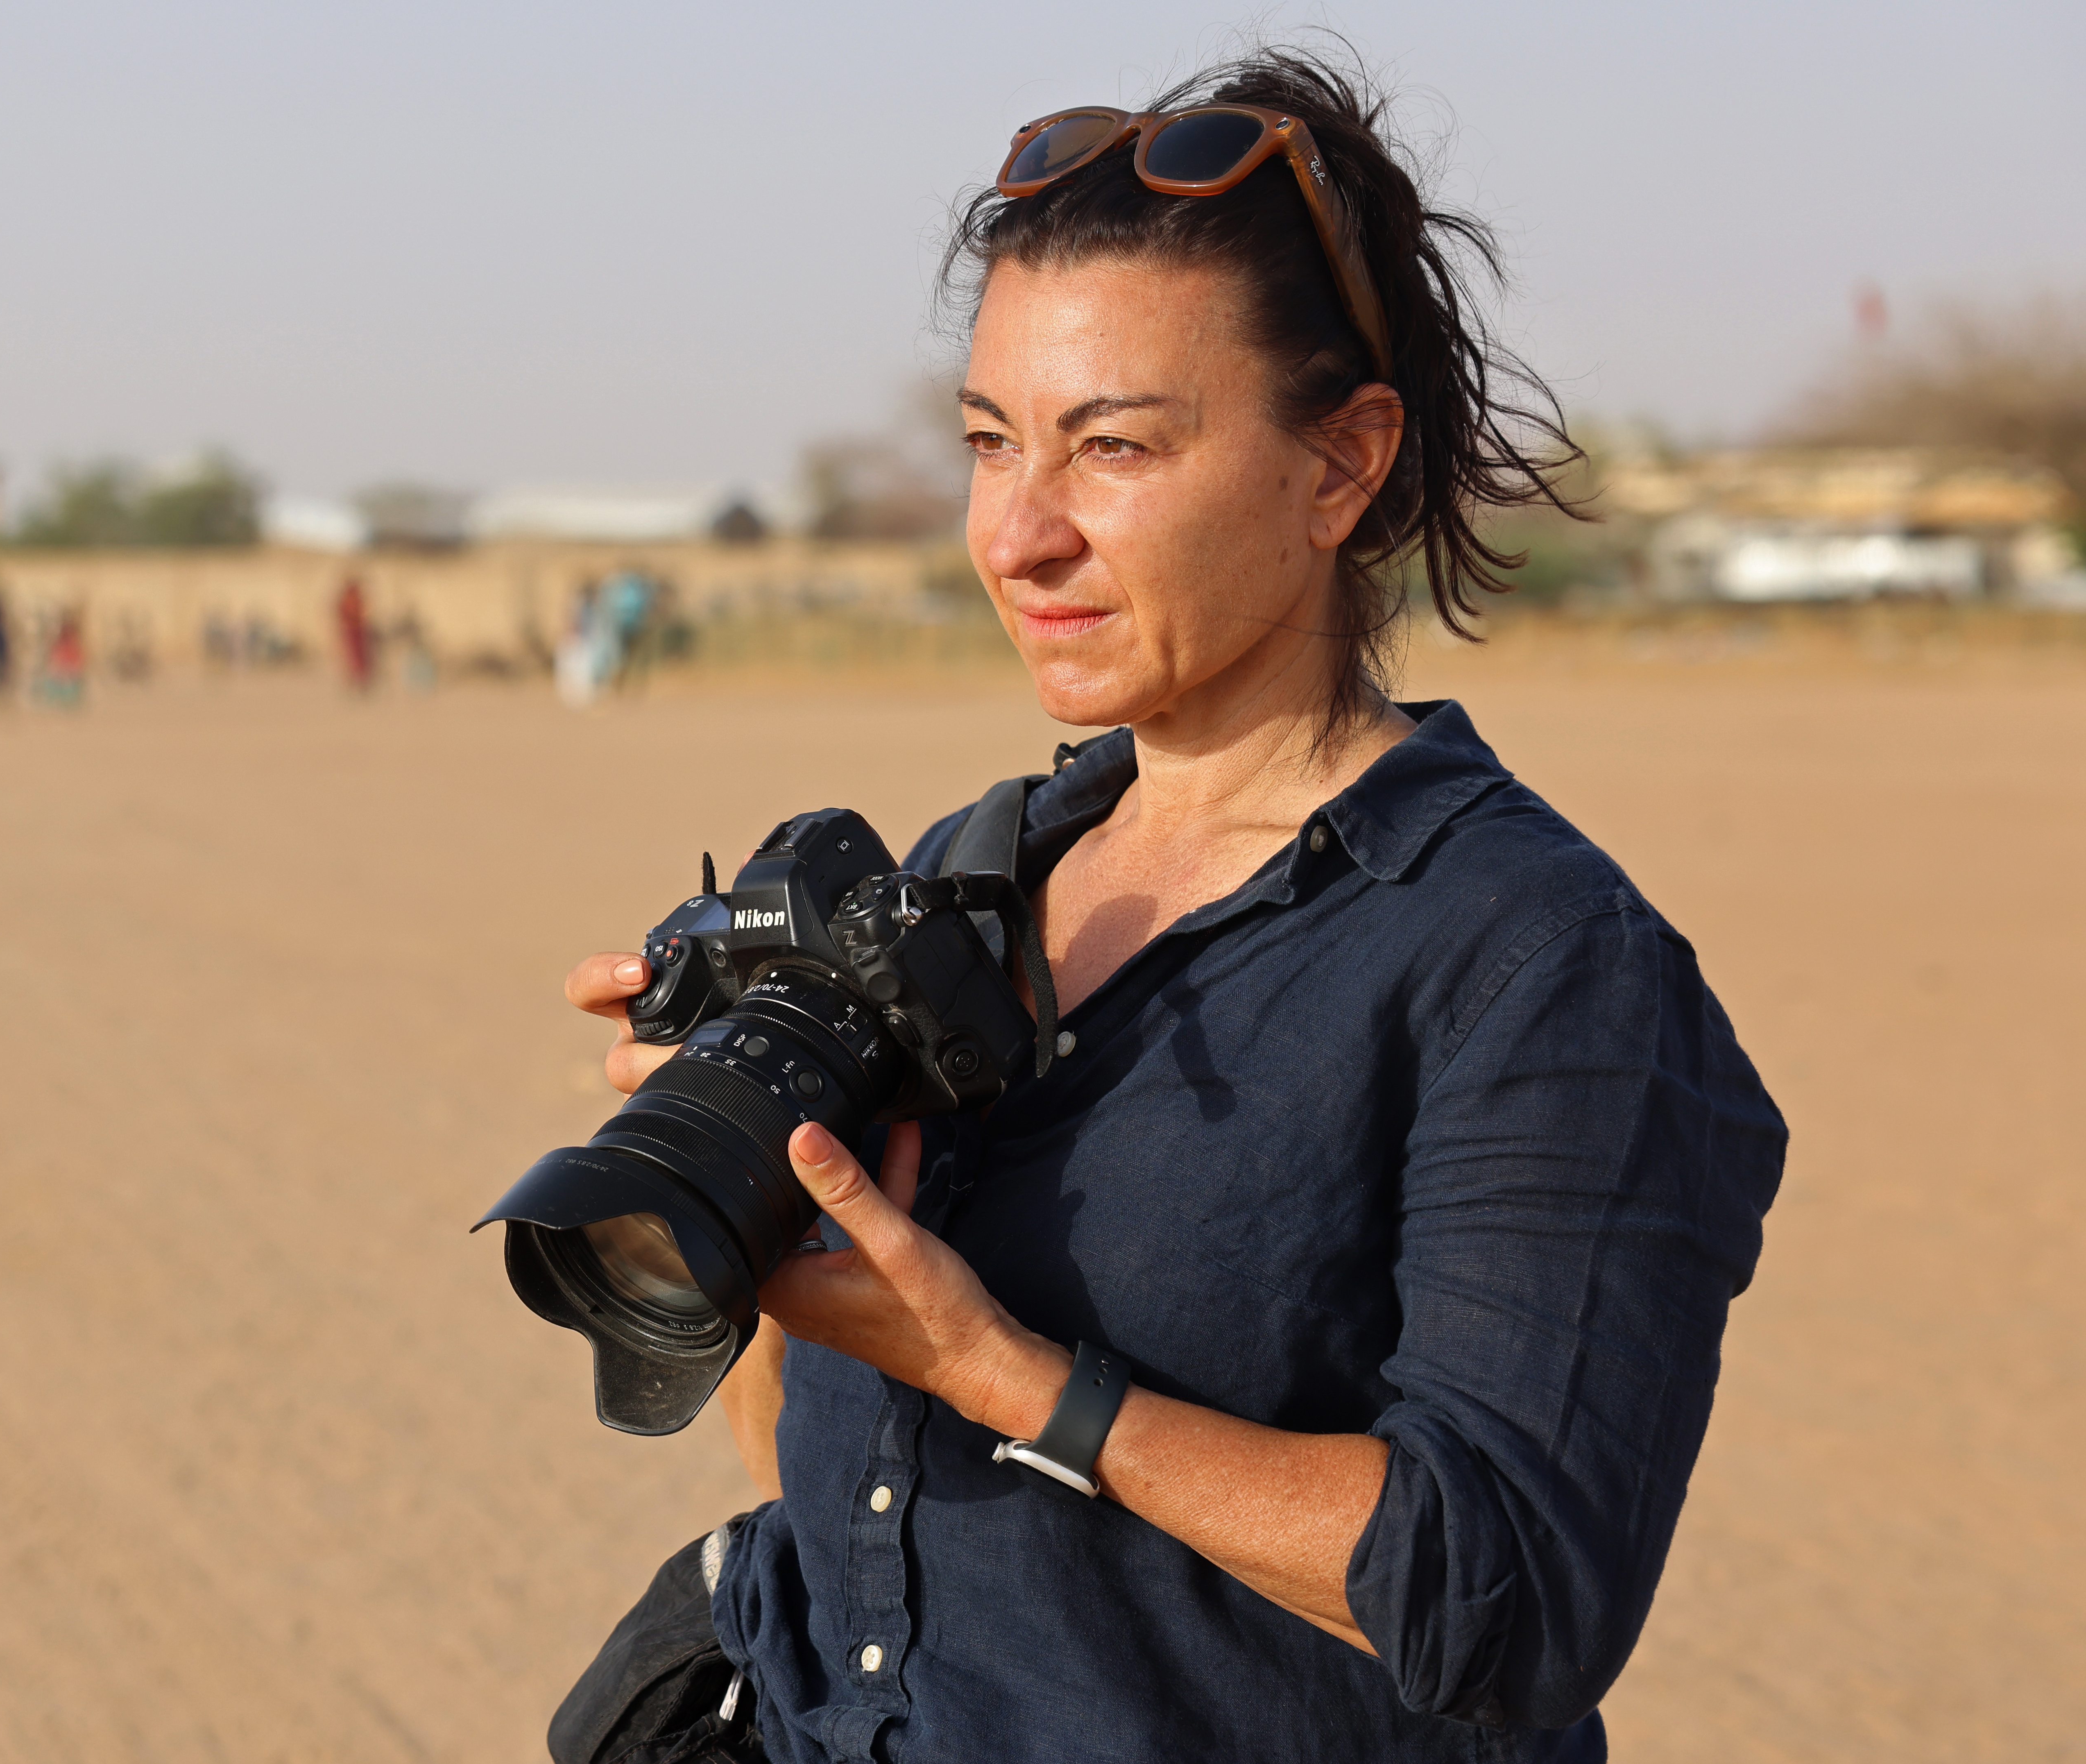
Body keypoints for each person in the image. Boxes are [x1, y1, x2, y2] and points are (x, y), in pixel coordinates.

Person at [559, 46, 1784, 1763]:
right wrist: (739, 1187)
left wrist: (1007, 1375)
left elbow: (1508, 1602)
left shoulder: (1533, 961)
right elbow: (826, 1474)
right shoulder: (961, 876)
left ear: (1340, 466)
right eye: (989, 442)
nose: (1017, 535)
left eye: (1112, 447)